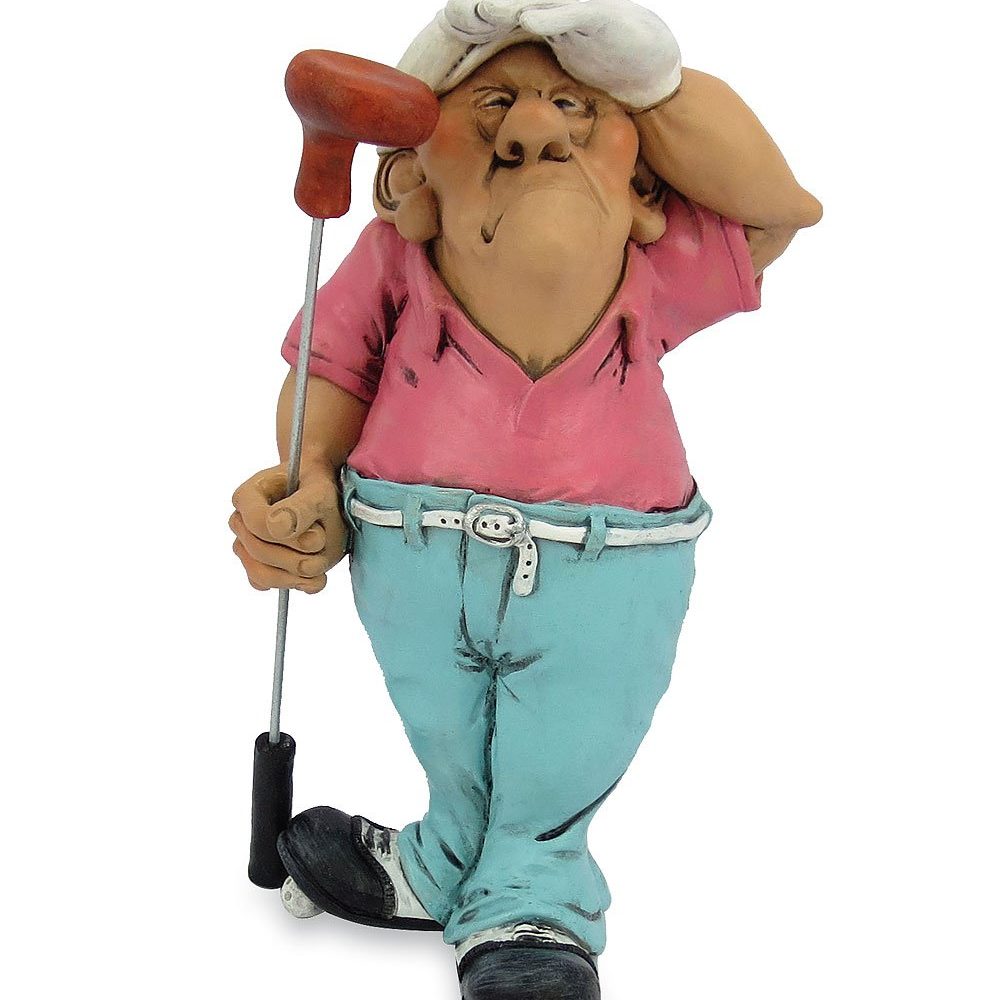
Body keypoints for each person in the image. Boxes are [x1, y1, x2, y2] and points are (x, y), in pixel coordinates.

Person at [230, 3, 822, 998]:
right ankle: (444, 859)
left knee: (565, 744)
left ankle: (533, 899)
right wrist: (312, 477)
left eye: (576, 107)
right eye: (492, 104)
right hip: (409, 552)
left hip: (607, 569)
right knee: (447, 727)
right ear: (411, 180)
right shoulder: (393, 256)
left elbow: (776, 210)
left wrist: (646, 74)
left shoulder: (653, 271)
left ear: (644, 192)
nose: (534, 131)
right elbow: (329, 368)